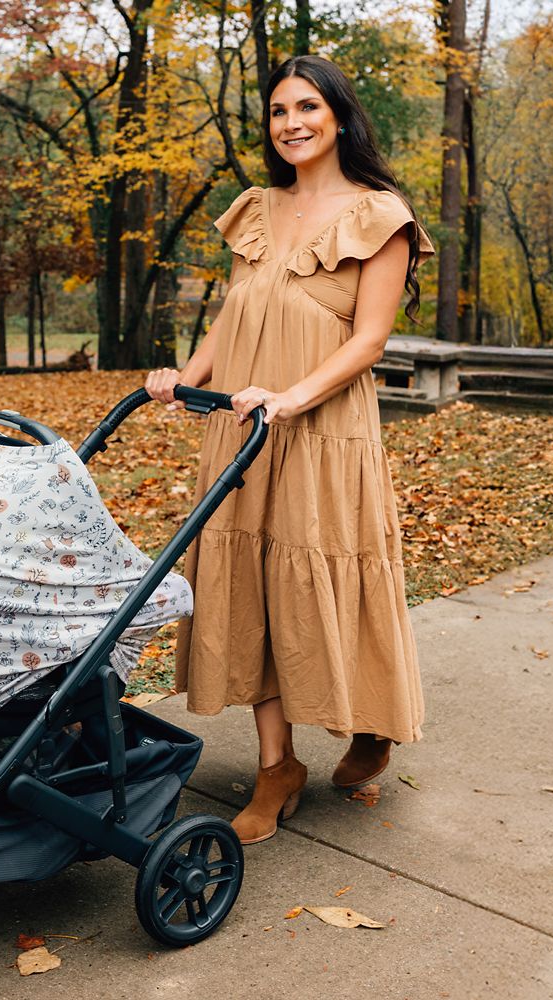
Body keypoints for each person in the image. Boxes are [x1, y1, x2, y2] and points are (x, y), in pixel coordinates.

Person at [145, 55, 433, 845]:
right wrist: (185, 377)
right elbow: (235, 313)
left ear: (339, 115)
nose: (292, 122)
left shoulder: (381, 215)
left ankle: (371, 720)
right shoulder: (255, 209)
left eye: (307, 106)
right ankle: (278, 766)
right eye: (278, 110)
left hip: (321, 430)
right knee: (251, 586)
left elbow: (369, 340)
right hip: (243, 424)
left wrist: (292, 398)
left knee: (329, 576)